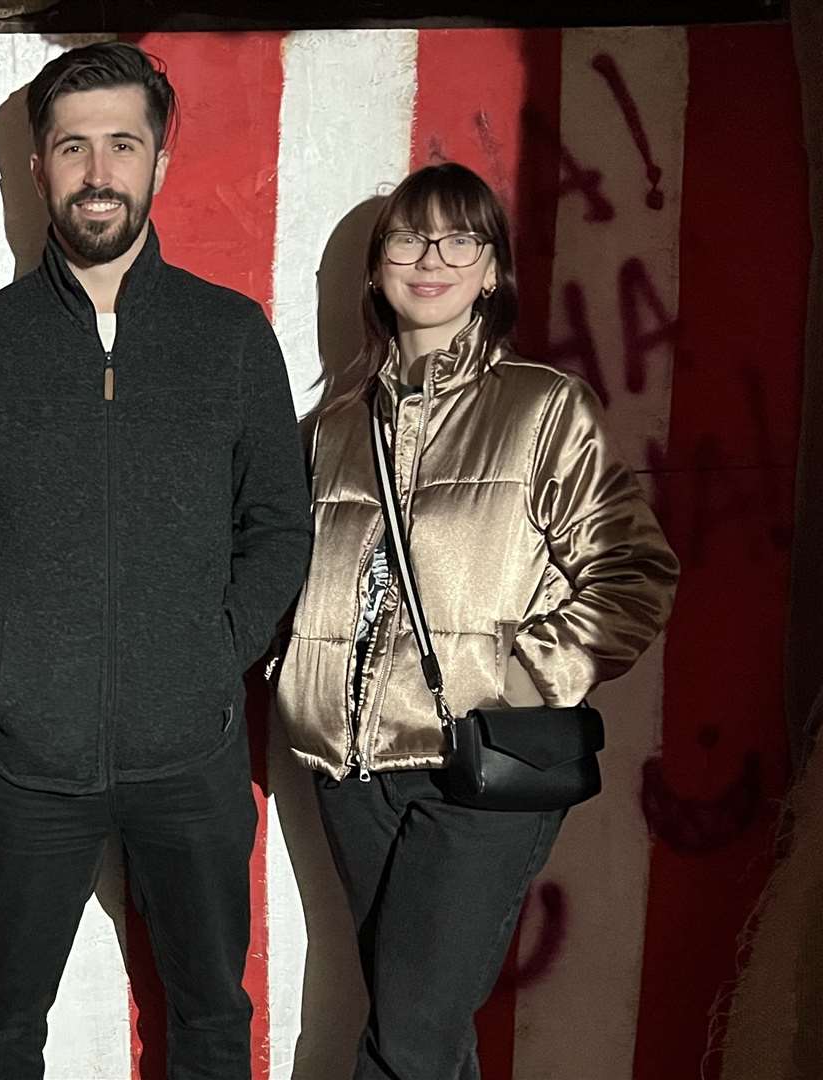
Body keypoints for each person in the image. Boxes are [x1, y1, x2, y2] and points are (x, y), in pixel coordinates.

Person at [0, 41, 311, 1080]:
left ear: (161, 161)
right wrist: (1, 677)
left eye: (123, 143)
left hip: (193, 752)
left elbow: (280, 524)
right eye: (72, 146)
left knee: (211, 1016)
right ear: (36, 167)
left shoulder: (230, 335)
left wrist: (211, 658)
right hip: (27, 762)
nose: (98, 171)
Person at [276, 162, 679, 1080]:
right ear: (376, 268)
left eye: (462, 238)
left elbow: (635, 568)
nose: (433, 258)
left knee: (409, 1037)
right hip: (351, 770)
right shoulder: (335, 425)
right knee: (424, 1026)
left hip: (484, 766)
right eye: (410, 237)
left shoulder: (542, 408)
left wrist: (525, 675)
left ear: (492, 271)